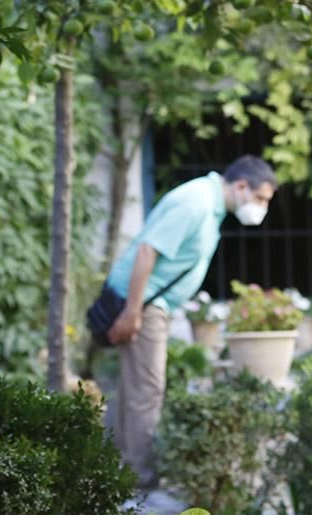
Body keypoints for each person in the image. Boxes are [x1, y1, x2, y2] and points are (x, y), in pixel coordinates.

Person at [105, 155, 277, 487]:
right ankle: (141, 480)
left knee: (134, 388)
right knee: (147, 391)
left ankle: (122, 471)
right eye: (260, 199)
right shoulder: (196, 203)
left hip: (150, 303)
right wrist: (133, 311)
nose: (261, 208)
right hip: (146, 303)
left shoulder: (208, 203)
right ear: (241, 186)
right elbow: (147, 252)